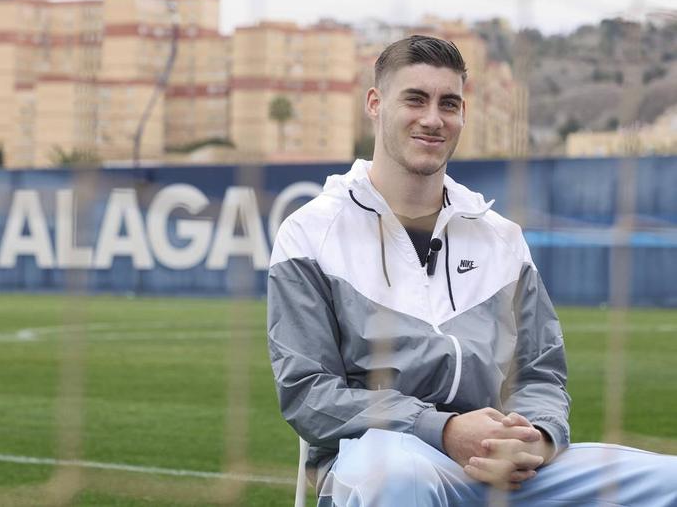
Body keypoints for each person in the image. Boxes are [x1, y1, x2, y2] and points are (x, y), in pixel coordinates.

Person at [267, 35, 677, 506]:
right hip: (386, 456)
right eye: (415, 99)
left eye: (449, 104)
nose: (433, 118)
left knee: (668, 482)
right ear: (375, 104)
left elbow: (539, 372)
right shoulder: (311, 233)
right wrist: (443, 429)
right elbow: (309, 393)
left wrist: (535, 437)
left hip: (501, 467)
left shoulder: (500, 236)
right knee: (401, 480)